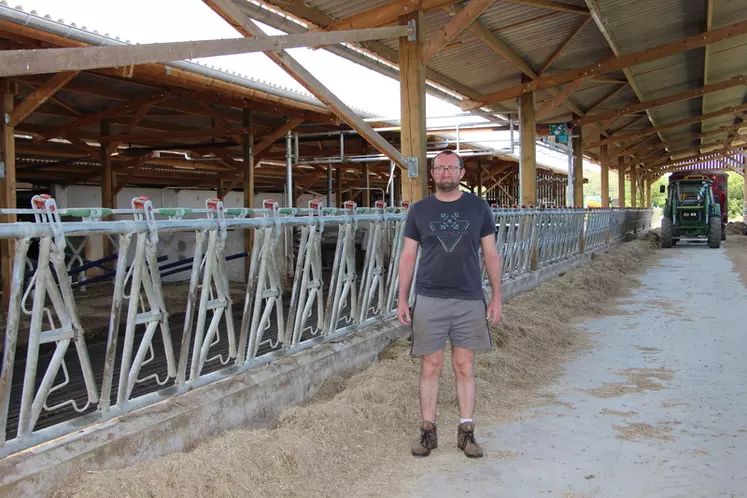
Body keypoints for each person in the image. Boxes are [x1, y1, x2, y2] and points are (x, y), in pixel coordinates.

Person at [397, 149, 503, 459]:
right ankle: (428, 432)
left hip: (468, 297)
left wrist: (496, 296)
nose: (446, 173)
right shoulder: (419, 210)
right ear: (432, 173)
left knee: (464, 365)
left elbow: (491, 253)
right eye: (440, 168)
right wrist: (402, 297)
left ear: (462, 173)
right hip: (429, 297)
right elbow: (407, 255)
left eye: (451, 168)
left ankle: (466, 432)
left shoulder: (479, 207)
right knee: (431, 365)